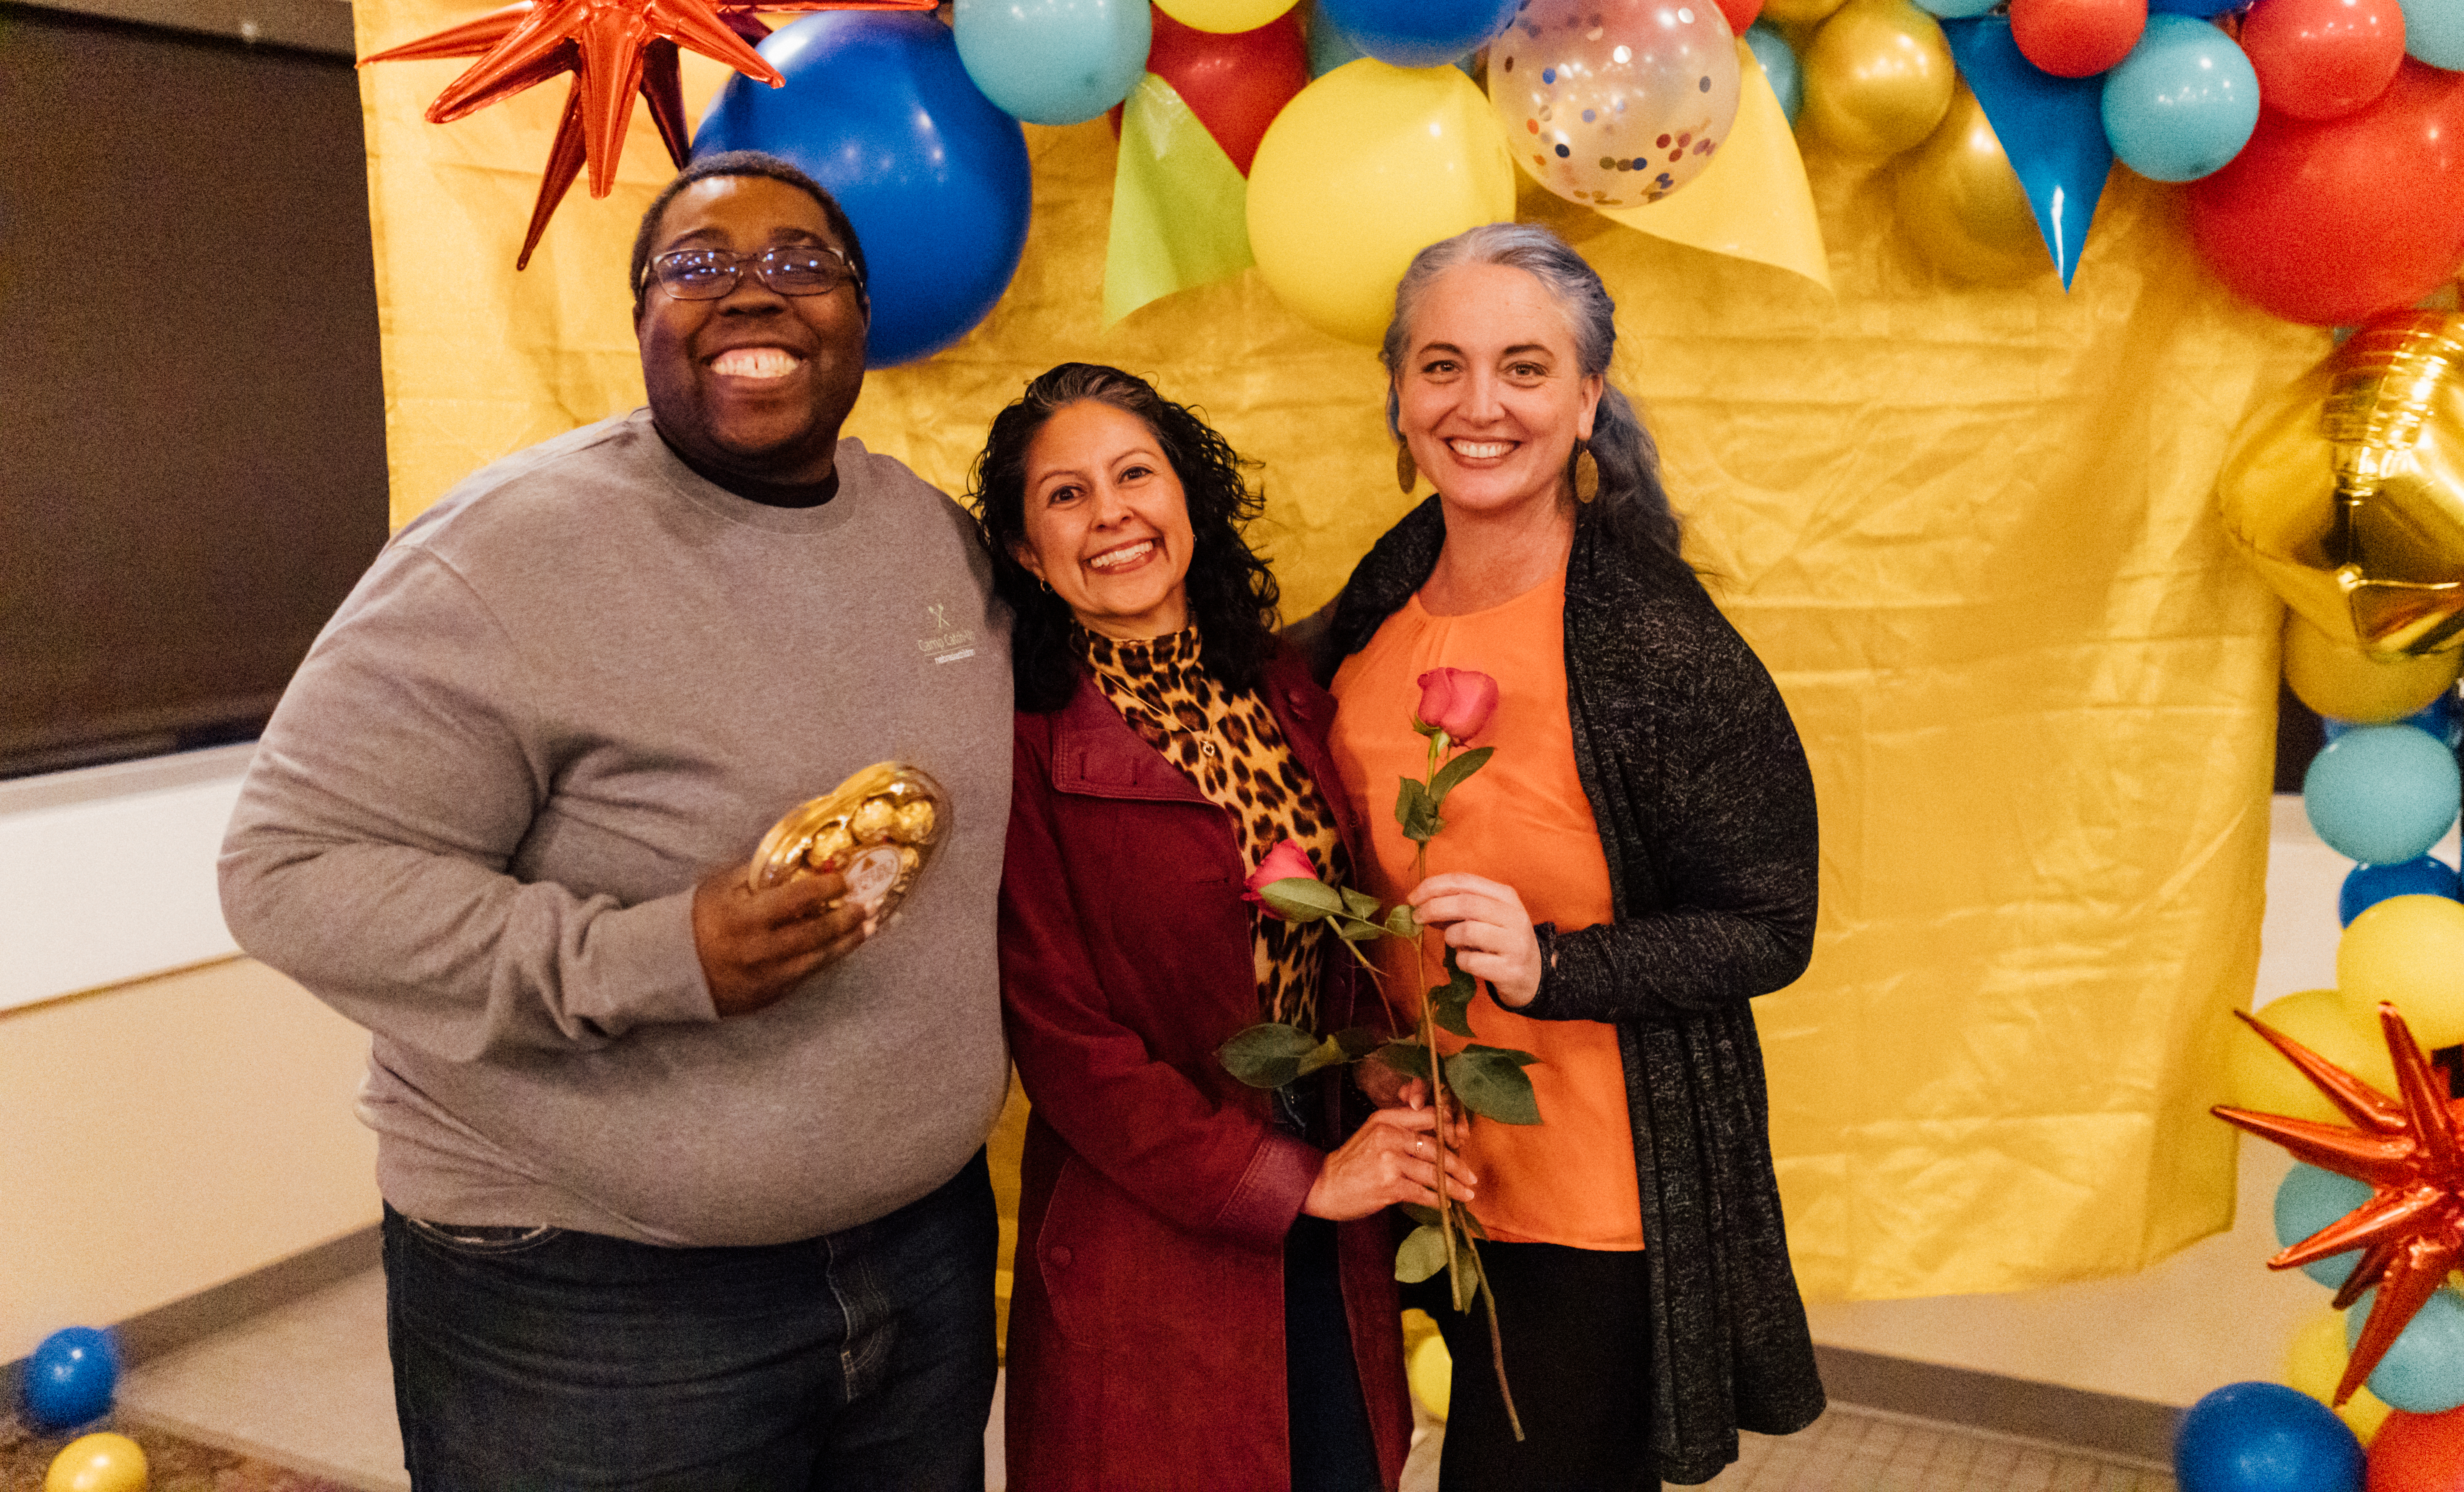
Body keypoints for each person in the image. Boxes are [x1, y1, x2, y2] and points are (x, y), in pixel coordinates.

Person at [218, 150, 1013, 1490]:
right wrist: (652, 958)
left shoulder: (933, 539)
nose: (753, 297)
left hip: (920, 1260)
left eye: (802, 265)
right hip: (595, 1303)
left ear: (863, 319)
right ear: (641, 316)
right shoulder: (507, 553)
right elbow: (287, 875)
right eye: (699, 267)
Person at [1314, 224, 1826, 1489]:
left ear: (1589, 397)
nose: (1478, 405)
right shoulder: (1390, 586)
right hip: (1426, 1169)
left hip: (1594, 1202)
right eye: (1442, 366)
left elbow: (1772, 923)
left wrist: (1555, 968)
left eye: (1525, 368)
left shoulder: (1651, 638)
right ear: (1397, 391)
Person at [977, 363, 1452, 1492]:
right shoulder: (1021, 746)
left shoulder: (1280, 684)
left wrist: (1382, 1065)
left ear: (1188, 494)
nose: (1113, 516)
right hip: (1154, 1216)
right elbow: (1066, 1047)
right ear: (1023, 551)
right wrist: (1292, 1185)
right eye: (1067, 496)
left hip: (1330, 1173)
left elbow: (1331, 931)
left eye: (1135, 473)